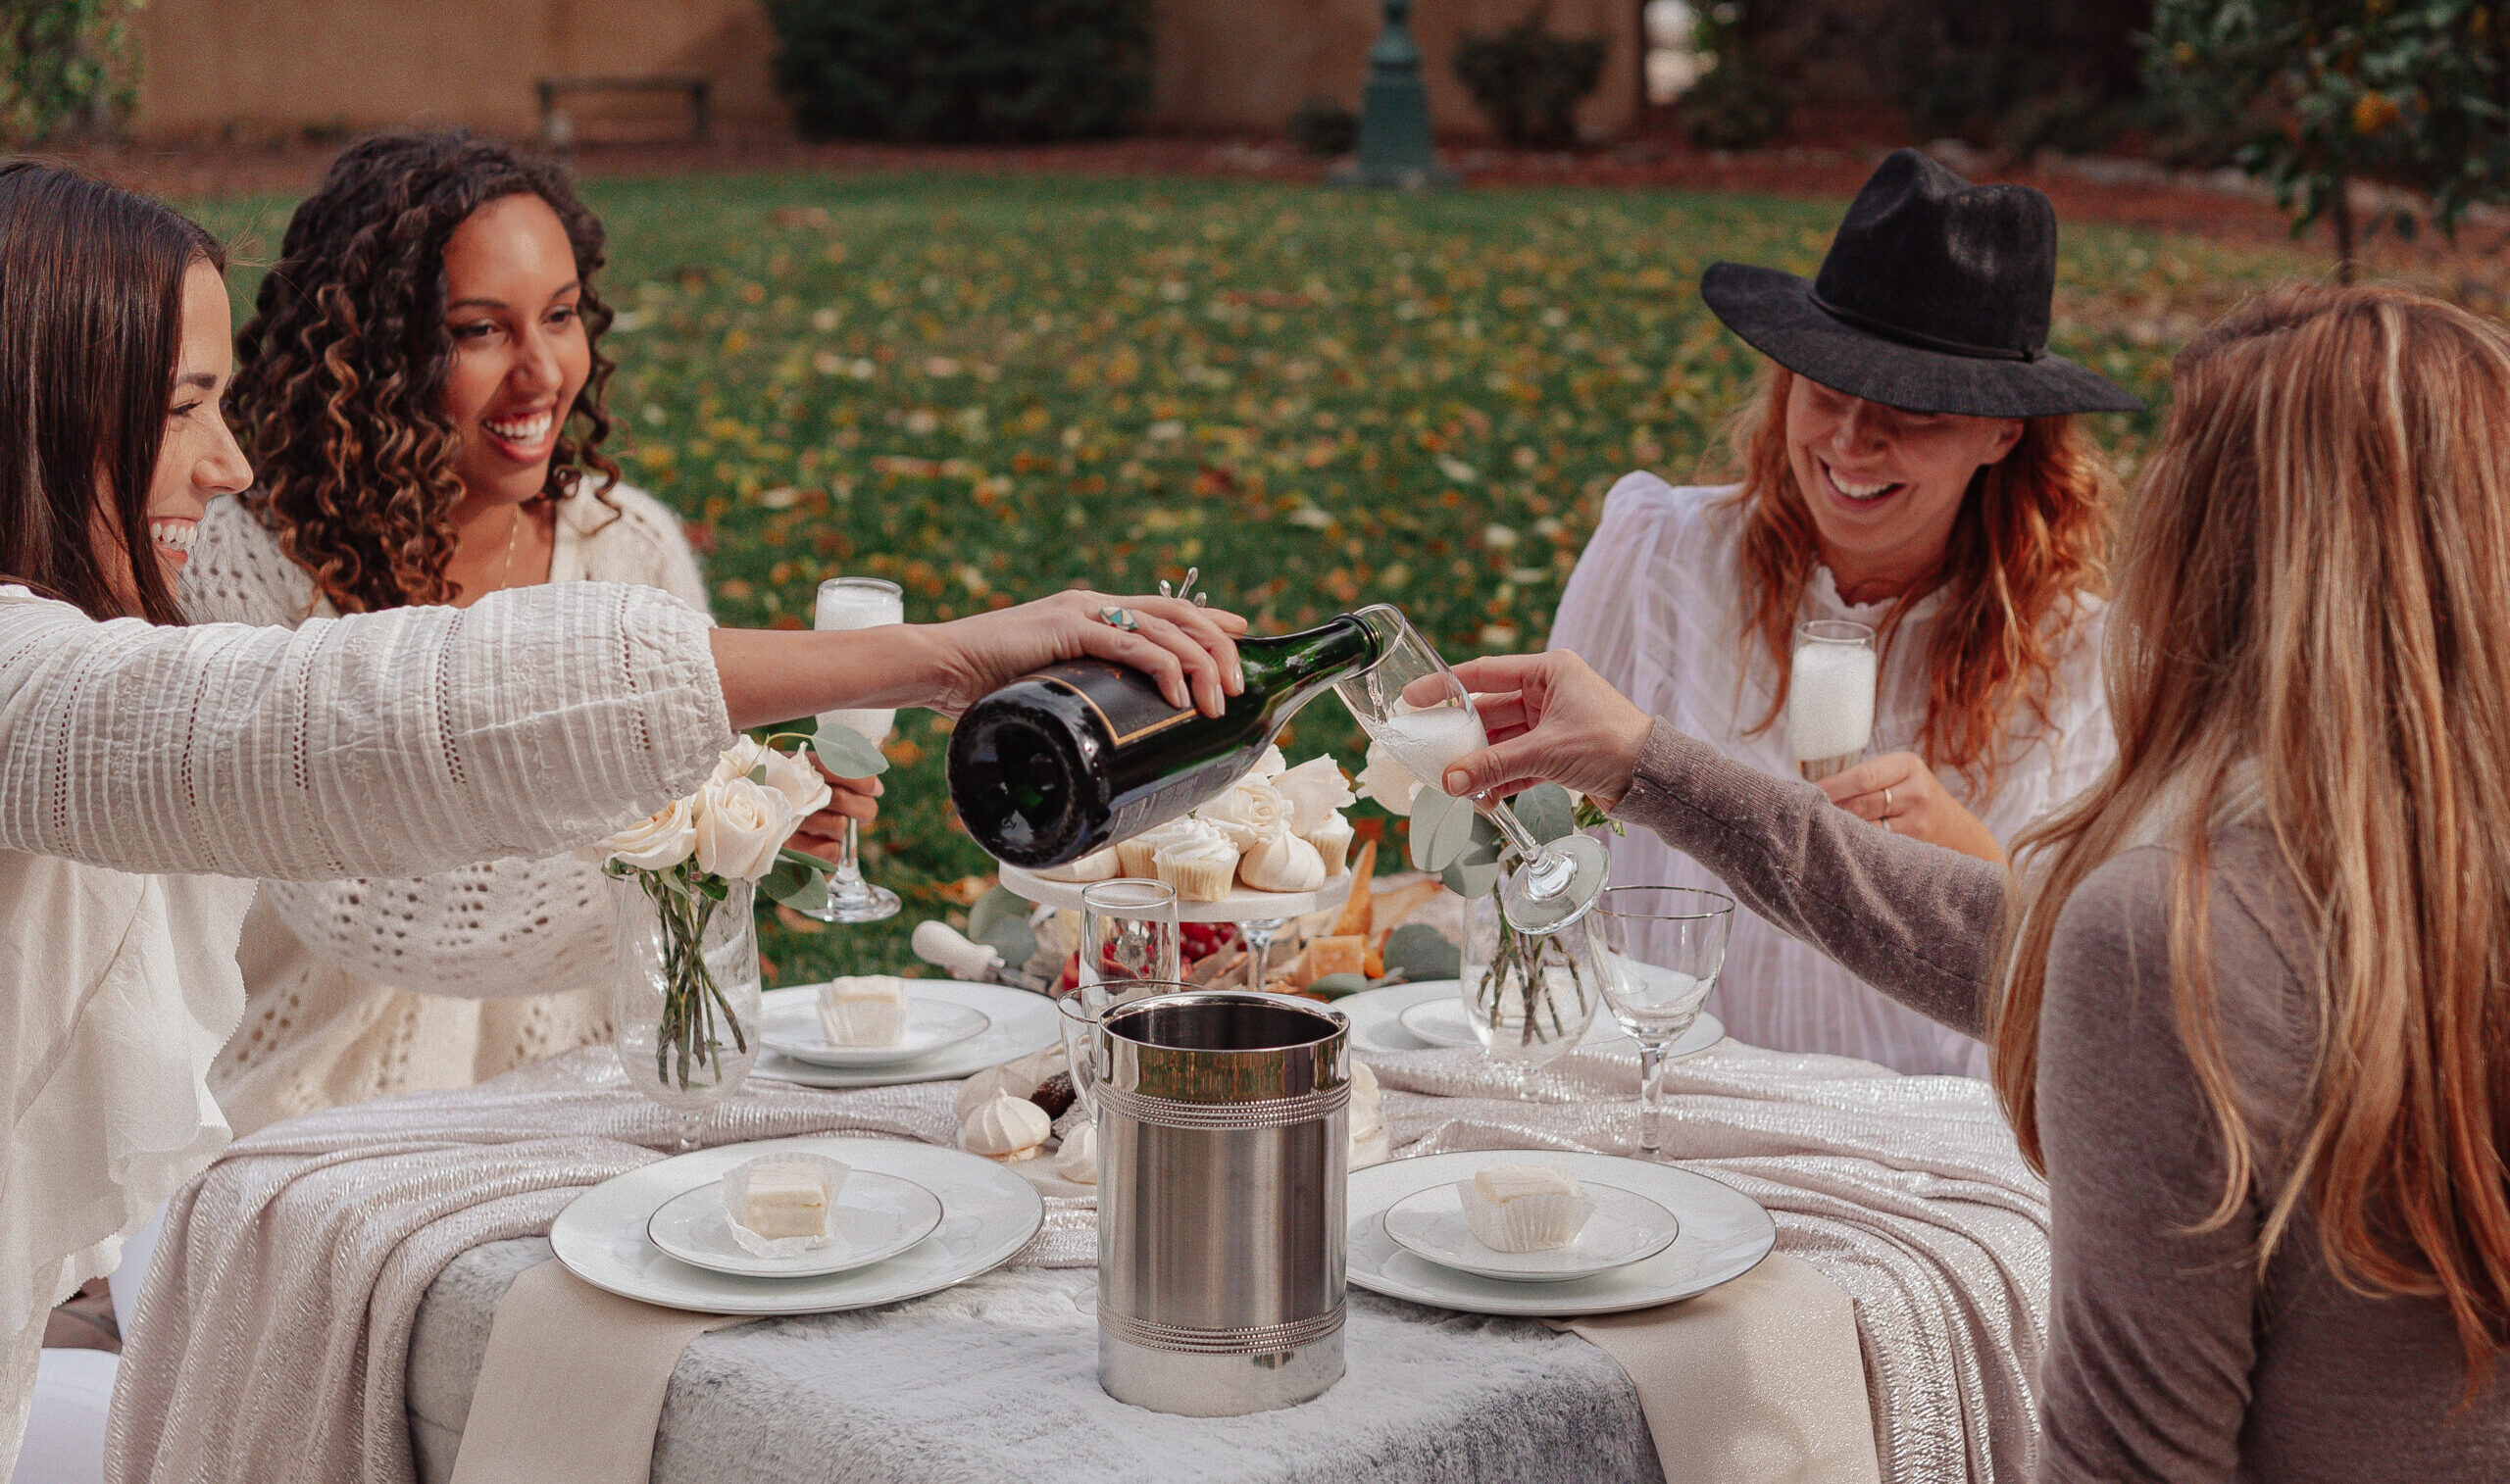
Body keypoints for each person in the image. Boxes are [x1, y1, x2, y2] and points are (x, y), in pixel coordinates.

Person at [0, 159, 1242, 1475]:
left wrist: (731, 828)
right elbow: (356, 725)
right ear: (41, 409)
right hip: (284, 1178)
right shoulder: (43, 686)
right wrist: (925, 660)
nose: (229, 459)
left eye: (562, 312)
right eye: (184, 405)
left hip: (550, 1129)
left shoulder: (608, 538)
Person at [1444, 282, 2510, 1476]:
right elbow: (2017, 942)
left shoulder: (2175, 916)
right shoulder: (2387, 885)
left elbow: (2131, 1458)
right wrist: (1645, 761)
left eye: (2180, 473)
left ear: (2229, 551)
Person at [181, 132, 869, 1133]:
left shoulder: (623, 545)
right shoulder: (248, 568)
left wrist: (757, 824)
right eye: (479, 331)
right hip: (304, 1110)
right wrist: (706, 829)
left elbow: (675, 926)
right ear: (370, 352)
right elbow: (374, 908)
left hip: (598, 1089)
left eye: (560, 315)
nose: (544, 372)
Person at [1550, 149, 2137, 1075]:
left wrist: (1959, 849)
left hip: (1924, 1127)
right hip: (1671, 1082)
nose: (1854, 441)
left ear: (2000, 430)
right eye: (1827, 389)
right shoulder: (1660, 553)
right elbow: (1550, 832)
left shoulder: (2077, 650)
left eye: (1912, 409)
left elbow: (2085, 971)